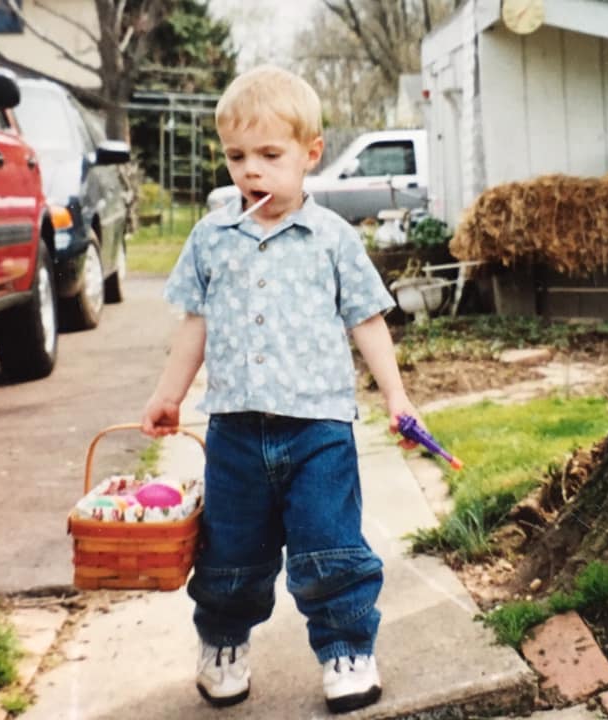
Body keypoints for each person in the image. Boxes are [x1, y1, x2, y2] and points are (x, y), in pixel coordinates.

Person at [141, 64, 424, 715]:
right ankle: (223, 643)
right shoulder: (212, 239)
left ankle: (347, 650)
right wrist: (169, 394)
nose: (252, 171)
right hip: (235, 432)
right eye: (238, 156)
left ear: (310, 153)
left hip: (319, 428)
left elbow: (368, 321)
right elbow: (195, 324)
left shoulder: (333, 239)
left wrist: (397, 397)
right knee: (231, 557)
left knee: (330, 546)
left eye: (270, 155)